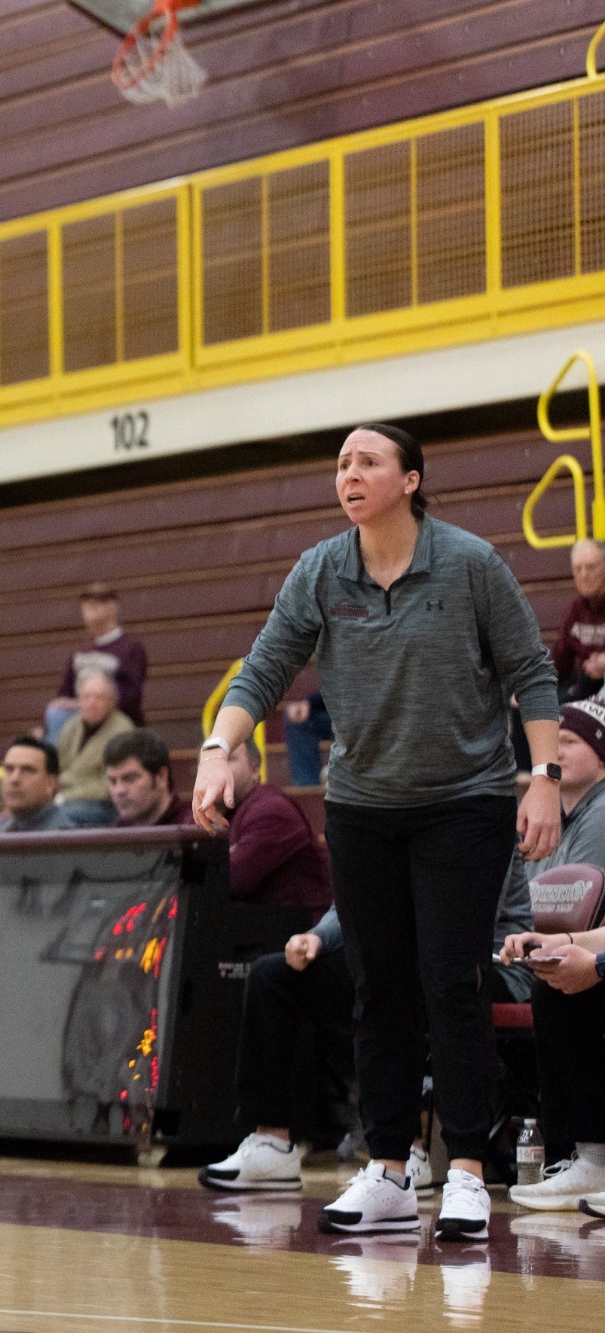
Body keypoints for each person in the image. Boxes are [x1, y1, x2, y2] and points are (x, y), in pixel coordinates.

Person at [197, 423, 560, 1243]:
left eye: (367, 462)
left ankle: (466, 1166)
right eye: (341, 465)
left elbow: (531, 672)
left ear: (410, 479)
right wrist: (221, 748)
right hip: (360, 808)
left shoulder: (469, 564)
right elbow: (262, 666)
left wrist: (541, 779)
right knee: (378, 986)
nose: (349, 474)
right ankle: (389, 1167)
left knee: (450, 979)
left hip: (463, 803)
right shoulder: (321, 571)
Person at [201, 856, 534, 1193]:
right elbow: (350, 901)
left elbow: (465, 917)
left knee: (405, 979)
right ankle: (271, 1144)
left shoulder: (479, 815)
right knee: (273, 976)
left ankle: (410, 1151)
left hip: (491, 964)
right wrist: (317, 938)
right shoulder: (378, 810)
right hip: (398, 960)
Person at [505, 699, 605, 1210]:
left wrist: (591, 959)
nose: (557, 751)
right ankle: (588, 1160)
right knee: (561, 982)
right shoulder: (547, 817)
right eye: (552, 741)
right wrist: (561, 944)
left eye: (572, 741)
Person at [218, 737, 331, 906]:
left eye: (229, 759)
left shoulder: (270, 810)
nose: (216, 769)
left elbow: (230, 880)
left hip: (304, 928)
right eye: (207, 763)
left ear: (255, 769)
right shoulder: (218, 812)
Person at [46, 582, 149, 737]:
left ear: (111, 607)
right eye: (86, 606)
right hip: (80, 720)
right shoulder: (79, 652)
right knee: (55, 713)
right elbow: (65, 692)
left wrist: (90, 703)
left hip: (115, 719)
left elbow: (131, 695)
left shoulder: (130, 648)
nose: (89, 610)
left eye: (96, 604)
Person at [55, 670, 133, 827]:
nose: (91, 702)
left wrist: (65, 796)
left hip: (102, 804)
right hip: (63, 797)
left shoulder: (123, 731)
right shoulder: (71, 726)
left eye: (98, 698)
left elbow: (111, 786)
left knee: (61, 817)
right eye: (86, 697)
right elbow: (57, 767)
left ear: (111, 702)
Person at [552, 538, 605, 703]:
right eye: (578, 569)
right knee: (524, 703)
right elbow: (559, 660)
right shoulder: (575, 609)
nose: (584, 575)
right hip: (581, 686)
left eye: (590, 567)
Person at [0, 736, 75, 833]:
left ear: (50, 784)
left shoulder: (67, 839)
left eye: (27, 770)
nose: (15, 779)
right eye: (9, 769)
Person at [106, 730, 190, 827]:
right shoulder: (116, 835)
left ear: (161, 777)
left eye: (130, 778)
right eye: (113, 781)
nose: (119, 791)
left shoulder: (193, 833)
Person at [282, 691, 333, 787]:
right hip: (327, 707)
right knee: (296, 721)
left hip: (360, 709)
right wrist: (305, 702)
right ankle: (309, 788)